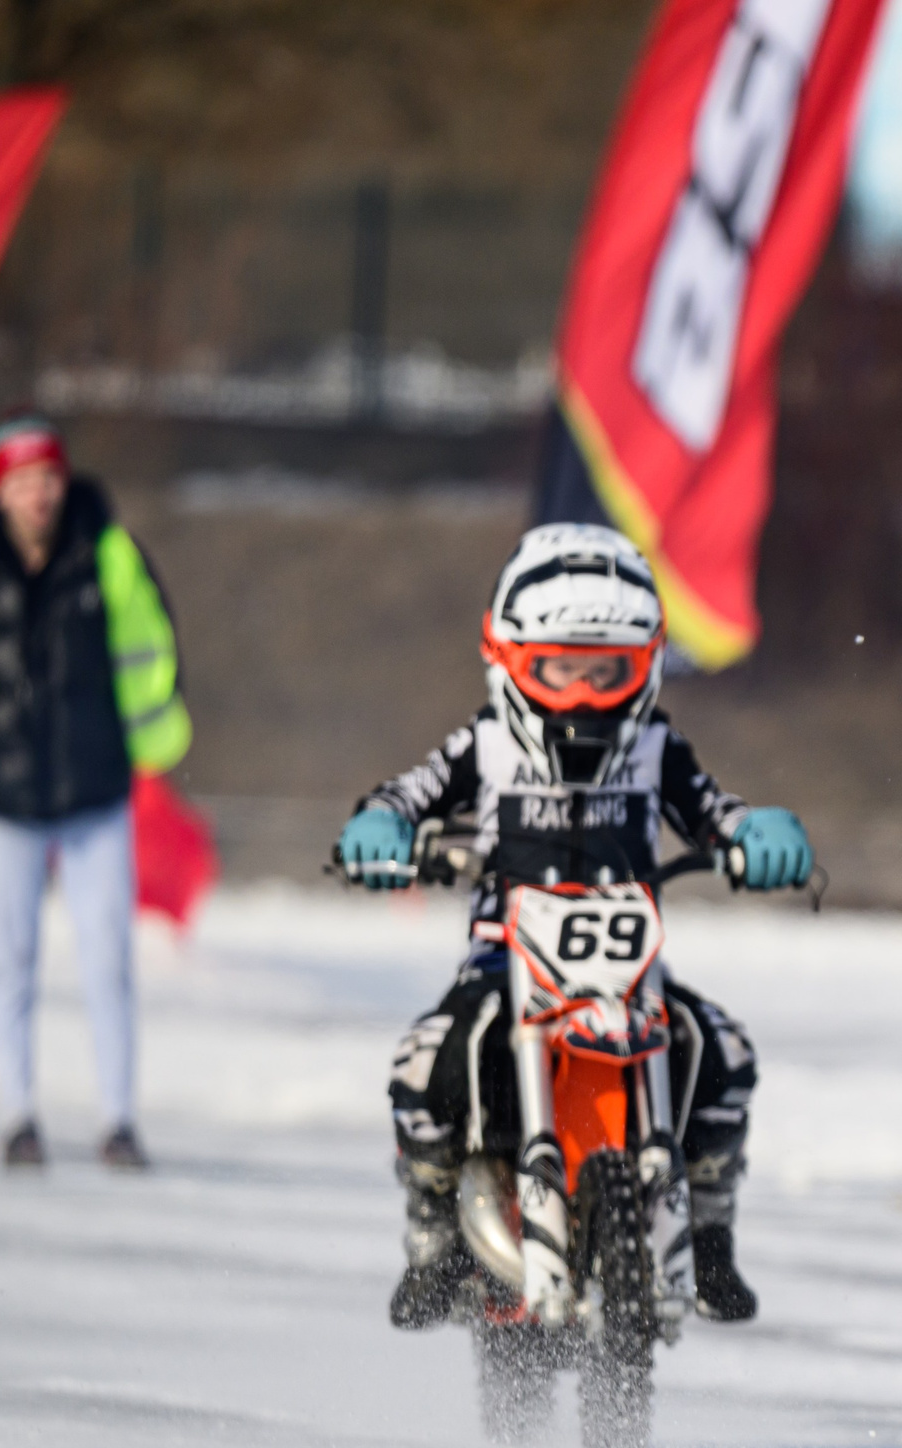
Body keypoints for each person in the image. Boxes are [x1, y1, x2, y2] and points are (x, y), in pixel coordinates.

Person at [334, 523, 811, 1328]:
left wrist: (753, 838)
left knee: (722, 1048)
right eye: (561, 669)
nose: (585, 694)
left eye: (606, 671)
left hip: (630, 973)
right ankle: (432, 1234)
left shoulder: (656, 747)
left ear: (646, 663)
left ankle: (710, 1228)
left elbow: (716, 812)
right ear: (512, 659)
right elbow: (403, 794)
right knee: (425, 1062)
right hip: (503, 964)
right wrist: (378, 828)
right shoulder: (484, 745)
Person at [0, 417, 191, 1172]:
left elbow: (153, 652)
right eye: (21, 480)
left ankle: (118, 1118)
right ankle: (17, 1116)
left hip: (94, 793)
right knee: (12, 958)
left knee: (108, 959)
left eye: (47, 478)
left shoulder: (108, 554)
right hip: (5, 798)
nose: (37, 494)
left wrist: (149, 749)